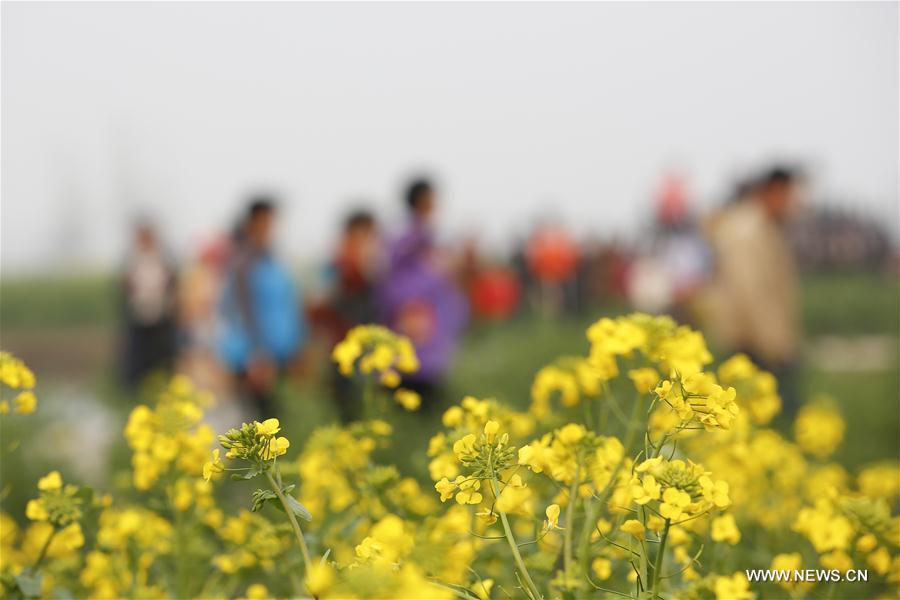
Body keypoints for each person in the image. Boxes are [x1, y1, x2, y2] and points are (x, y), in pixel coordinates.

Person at [703, 166, 803, 411]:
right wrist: (776, 346)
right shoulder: (746, 231)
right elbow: (750, 294)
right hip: (754, 346)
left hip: (760, 343)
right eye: (790, 196)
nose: (794, 204)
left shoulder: (762, 227)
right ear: (773, 192)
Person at [377, 179, 468, 409]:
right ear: (421, 201)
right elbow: (394, 291)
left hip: (429, 351)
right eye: (431, 200)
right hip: (413, 351)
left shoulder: (427, 241)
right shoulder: (407, 242)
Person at [219, 198, 305, 418]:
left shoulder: (270, 259)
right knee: (258, 425)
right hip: (255, 361)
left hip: (277, 357)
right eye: (265, 222)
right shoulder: (243, 262)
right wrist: (257, 354)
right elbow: (243, 310)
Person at [120, 221, 178, 388]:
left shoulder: (163, 258)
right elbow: (126, 287)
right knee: (139, 358)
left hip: (160, 316)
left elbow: (171, 284)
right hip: (139, 316)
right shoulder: (132, 260)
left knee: (161, 355)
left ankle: (162, 385)